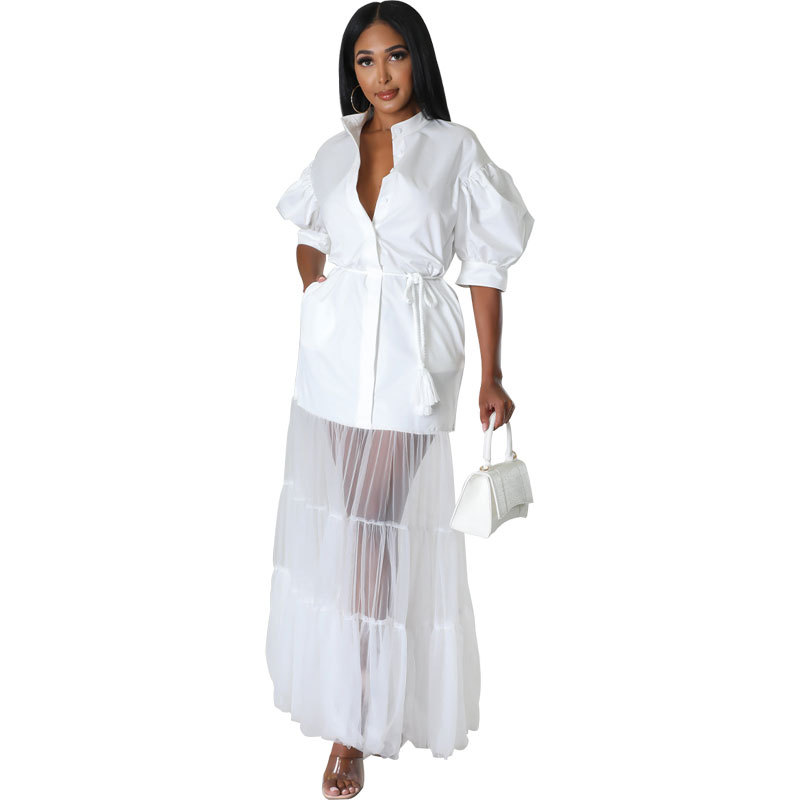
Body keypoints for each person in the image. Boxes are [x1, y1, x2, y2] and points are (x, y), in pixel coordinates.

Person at [265, 3, 534, 797]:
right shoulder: (334, 149)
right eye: (365, 60)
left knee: (367, 529)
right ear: (351, 71)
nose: (381, 75)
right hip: (333, 363)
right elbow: (308, 230)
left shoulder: (454, 149)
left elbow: (484, 264)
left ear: (419, 59)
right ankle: (358, 697)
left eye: (394, 56)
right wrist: (318, 287)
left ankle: (353, 725)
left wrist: (492, 374)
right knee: (354, 529)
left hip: (412, 362)